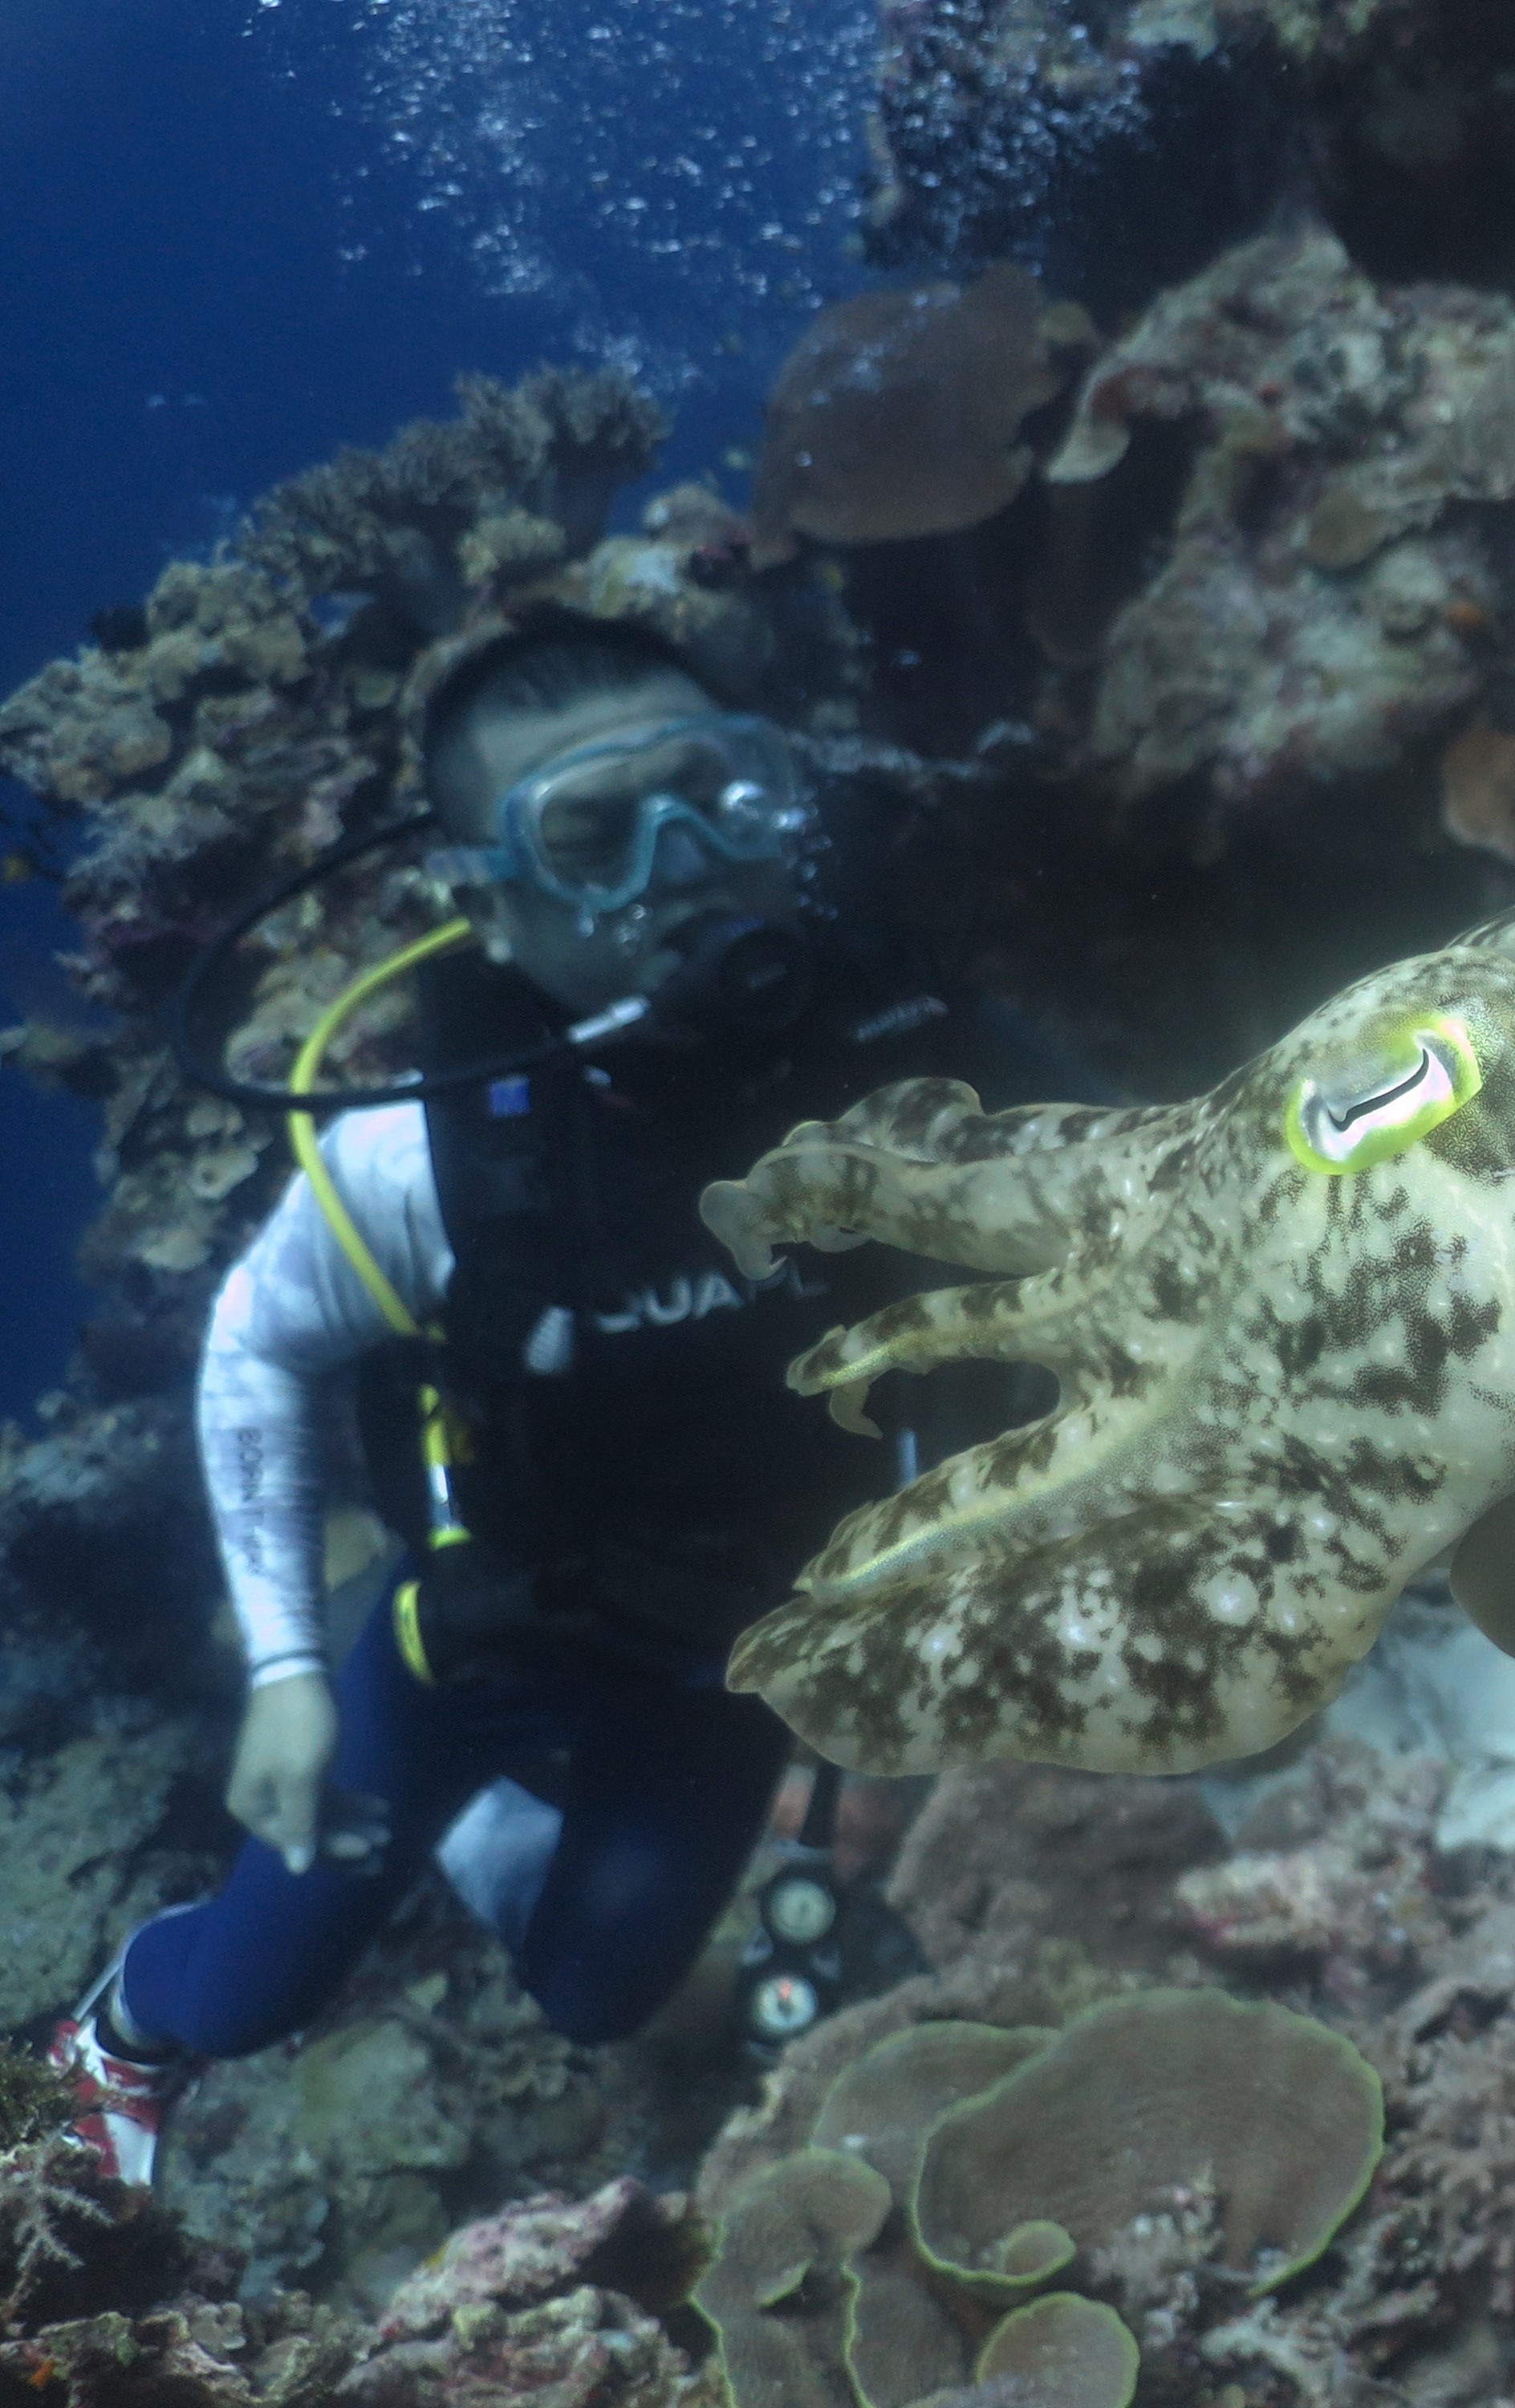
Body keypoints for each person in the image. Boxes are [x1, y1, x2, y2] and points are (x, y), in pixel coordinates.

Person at [52, 616, 1030, 2185]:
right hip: (470, 1650)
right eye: (592, 836)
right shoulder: (424, 1163)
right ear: (491, 908)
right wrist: (293, 1673)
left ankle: (486, 1833)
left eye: (723, 795)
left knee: (595, 1994)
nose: (684, 860)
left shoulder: (919, 1075)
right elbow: (254, 1355)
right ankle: (122, 2026)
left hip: (729, 1656)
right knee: (247, 1998)